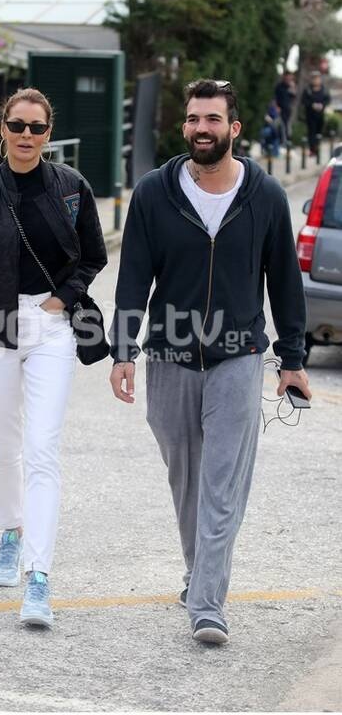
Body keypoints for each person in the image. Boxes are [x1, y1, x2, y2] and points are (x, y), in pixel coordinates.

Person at [109, 79, 312, 645]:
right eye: (194, 119)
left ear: (234, 128)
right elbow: (134, 276)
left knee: (223, 482)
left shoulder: (265, 195)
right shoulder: (155, 192)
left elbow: (285, 281)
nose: (203, 129)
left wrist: (292, 357)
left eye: (213, 119)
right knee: (187, 480)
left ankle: (207, 604)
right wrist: (122, 349)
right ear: (185, 127)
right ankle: (198, 573)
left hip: (238, 355)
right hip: (170, 355)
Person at [0, 87, 107, 629]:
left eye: (37, 127)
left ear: (49, 134)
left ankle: (39, 576)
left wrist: (63, 297)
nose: (27, 135)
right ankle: (10, 532)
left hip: (51, 326)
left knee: (41, 450)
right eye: (18, 125)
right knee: (3, 446)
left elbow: (94, 255)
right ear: (2, 129)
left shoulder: (71, 188)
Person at [301, 71, 330, 155]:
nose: (316, 80)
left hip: (320, 115)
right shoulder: (308, 90)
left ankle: (317, 148)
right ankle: (312, 149)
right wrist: (312, 105)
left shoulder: (324, 89)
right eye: (314, 78)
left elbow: (327, 100)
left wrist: (322, 105)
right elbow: (304, 101)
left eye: (317, 78)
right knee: (311, 132)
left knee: (319, 133)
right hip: (310, 115)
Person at [274, 71, 296, 140]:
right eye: (287, 77)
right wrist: (277, 107)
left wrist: (292, 87)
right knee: (281, 125)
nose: (288, 79)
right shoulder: (279, 86)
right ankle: (281, 139)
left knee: (287, 126)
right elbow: (275, 98)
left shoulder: (290, 87)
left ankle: (287, 140)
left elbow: (294, 96)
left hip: (288, 110)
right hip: (280, 109)